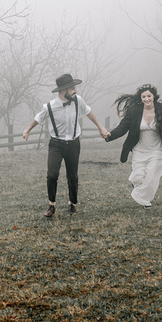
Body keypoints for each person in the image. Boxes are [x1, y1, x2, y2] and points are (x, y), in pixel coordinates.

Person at [23, 74, 110, 217]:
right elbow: (38, 118)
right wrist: (27, 130)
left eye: (74, 88)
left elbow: (89, 113)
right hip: (56, 144)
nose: (75, 91)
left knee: (72, 176)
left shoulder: (78, 101)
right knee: (52, 175)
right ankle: (51, 205)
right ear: (63, 90)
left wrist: (100, 127)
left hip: (73, 143)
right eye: (72, 88)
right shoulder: (50, 106)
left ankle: (72, 204)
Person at [105, 84, 162, 209]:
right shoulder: (134, 111)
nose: (146, 99)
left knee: (151, 175)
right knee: (137, 176)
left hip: (156, 150)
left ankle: (144, 200)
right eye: (144, 97)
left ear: (154, 96)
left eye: (149, 96)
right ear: (140, 98)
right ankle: (139, 188)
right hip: (140, 150)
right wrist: (110, 135)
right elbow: (123, 126)